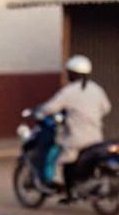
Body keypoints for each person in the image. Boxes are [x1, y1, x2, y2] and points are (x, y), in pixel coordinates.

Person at [36, 54, 112, 200]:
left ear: (71, 73)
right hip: (96, 138)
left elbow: (51, 107)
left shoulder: (69, 91)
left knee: (57, 159)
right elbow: (106, 108)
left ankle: (58, 186)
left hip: (76, 138)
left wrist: (39, 111)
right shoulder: (96, 89)